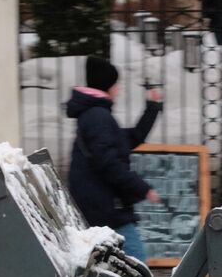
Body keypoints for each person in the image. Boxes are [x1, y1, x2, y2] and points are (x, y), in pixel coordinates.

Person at [66, 56, 162, 262]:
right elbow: (108, 163)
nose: (118, 89)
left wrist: (152, 108)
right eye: (115, 84)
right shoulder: (98, 117)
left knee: (122, 269)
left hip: (102, 206)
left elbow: (129, 139)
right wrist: (143, 188)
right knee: (137, 266)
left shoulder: (96, 116)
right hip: (106, 209)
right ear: (107, 86)